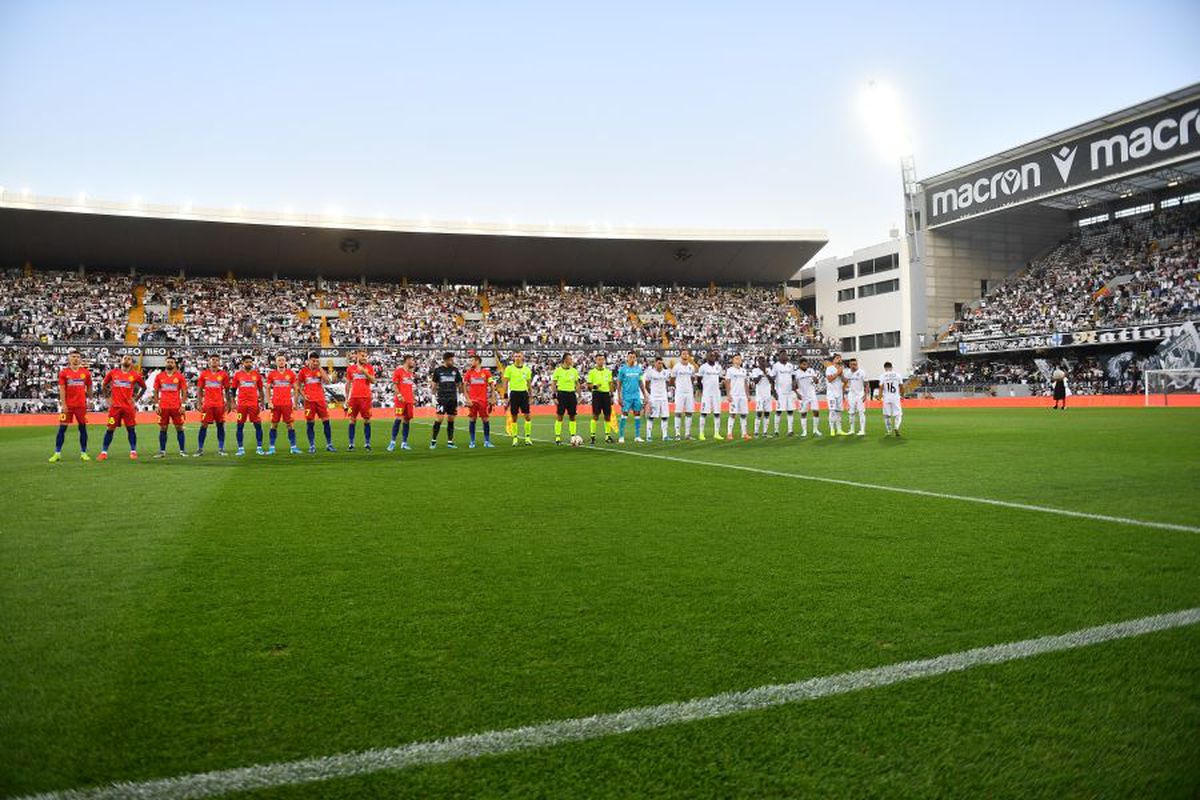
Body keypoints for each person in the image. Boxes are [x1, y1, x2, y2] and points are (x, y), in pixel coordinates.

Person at [98, 354, 146, 461]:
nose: (127, 360)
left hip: (128, 407)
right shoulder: (113, 372)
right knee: (110, 428)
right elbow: (104, 384)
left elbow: (144, 387)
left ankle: (133, 451)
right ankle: (104, 452)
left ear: (131, 363)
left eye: (129, 359)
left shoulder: (135, 375)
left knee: (131, 429)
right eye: (125, 358)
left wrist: (136, 399)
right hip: (115, 407)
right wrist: (107, 398)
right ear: (121, 360)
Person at [49, 349, 92, 462]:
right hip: (68, 405)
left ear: (80, 359)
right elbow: (62, 389)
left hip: (81, 406)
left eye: (77, 357)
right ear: (69, 358)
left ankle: (83, 453)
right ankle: (57, 453)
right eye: (73, 356)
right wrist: (63, 404)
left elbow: (89, 386)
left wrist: (90, 398)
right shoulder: (64, 372)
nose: (75, 359)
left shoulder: (86, 373)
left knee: (82, 428)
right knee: (62, 428)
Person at [151, 354, 188, 458]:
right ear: (165, 363)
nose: (170, 363)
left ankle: (182, 451)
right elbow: (156, 391)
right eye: (168, 362)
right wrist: (157, 405)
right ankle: (162, 451)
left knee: (179, 428)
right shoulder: (159, 376)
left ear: (175, 364)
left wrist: (183, 405)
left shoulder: (179, 376)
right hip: (163, 407)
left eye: (172, 362)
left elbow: (184, 391)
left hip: (176, 407)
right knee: (163, 428)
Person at [298, 353, 335, 453]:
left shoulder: (320, 370)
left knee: (326, 422)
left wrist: (320, 368)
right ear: (309, 360)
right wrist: (303, 395)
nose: (315, 363)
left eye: (317, 361)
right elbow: (298, 385)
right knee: (310, 424)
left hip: (320, 400)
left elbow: (327, 381)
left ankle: (329, 444)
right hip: (309, 401)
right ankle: (312, 445)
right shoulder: (303, 371)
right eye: (313, 361)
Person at [195, 354, 231, 456]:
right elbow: (199, 389)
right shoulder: (204, 374)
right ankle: (200, 449)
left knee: (220, 425)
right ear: (209, 362)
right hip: (207, 405)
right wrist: (198, 402)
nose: (214, 361)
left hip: (219, 404)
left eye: (216, 360)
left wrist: (228, 403)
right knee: (203, 425)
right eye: (213, 360)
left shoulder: (224, 374)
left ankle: (221, 449)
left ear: (219, 362)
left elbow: (227, 390)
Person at [266, 353, 301, 455]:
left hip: (287, 404)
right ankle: (272, 448)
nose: (281, 362)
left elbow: (296, 389)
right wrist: (269, 402)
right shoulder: (272, 374)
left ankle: (293, 447)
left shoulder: (291, 374)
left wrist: (295, 402)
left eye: (283, 360)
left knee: (290, 425)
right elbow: (267, 388)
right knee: (274, 425)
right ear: (276, 362)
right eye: (279, 360)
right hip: (275, 404)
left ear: (285, 362)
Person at [231, 354, 266, 456]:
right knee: (240, 426)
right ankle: (240, 448)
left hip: (254, 405)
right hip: (241, 405)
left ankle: (259, 448)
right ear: (243, 363)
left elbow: (260, 390)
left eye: (250, 362)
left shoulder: (257, 375)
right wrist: (233, 403)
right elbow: (233, 390)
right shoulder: (238, 375)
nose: (249, 363)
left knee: (258, 426)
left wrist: (262, 403)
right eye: (247, 362)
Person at [429, 351, 464, 448]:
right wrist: (432, 396)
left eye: (453, 360)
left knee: (451, 419)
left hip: (452, 398)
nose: (453, 361)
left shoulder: (455, 370)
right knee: (439, 419)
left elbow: (459, 383)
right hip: (442, 398)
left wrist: (461, 395)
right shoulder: (438, 370)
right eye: (451, 360)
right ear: (446, 360)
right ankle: (433, 440)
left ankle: (450, 441)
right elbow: (434, 384)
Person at [344, 349, 376, 451]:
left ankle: (367, 443)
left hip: (366, 398)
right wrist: (346, 398)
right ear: (357, 356)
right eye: (362, 355)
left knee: (367, 420)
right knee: (352, 420)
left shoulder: (369, 368)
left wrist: (365, 372)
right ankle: (351, 443)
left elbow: (373, 381)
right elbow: (348, 384)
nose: (364, 357)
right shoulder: (351, 369)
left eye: (365, 356)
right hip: (353, 398)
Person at [501, 351, 534, 446]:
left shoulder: (527, 369)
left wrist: (531, 396)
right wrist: (505, 396)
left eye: (519, 356)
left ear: (522, 357)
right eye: (515, 356)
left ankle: (527, 438)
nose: (517, 358)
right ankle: (515, 438)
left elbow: (529, 384)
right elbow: (506, 383)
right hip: (514, 394)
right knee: (514, 417)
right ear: (513, 358)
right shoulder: (509, 369)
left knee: (527, 416)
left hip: (524, 394)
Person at [463, 354, 496, 448]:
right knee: (472, 419)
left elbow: (492, 386)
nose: (471, 362)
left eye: (472, 360)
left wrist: (493, 397)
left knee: (485, 419)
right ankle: (472, 442)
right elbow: (464, 387)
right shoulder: (469, 373)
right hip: (472, 401)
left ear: (477, 361)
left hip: (483, 400)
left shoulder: (486, 372)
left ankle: (487, 441)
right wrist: (467, 399)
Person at [388, 354, 417, 452]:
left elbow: (410, 387)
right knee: (398, 419)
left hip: (409, 400)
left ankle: (404, 443)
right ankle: (392, 442)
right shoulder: (399, 371)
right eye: (412, 360)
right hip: (400, 400)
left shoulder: (411, 373)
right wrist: (399, 395)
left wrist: (413, 397)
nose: (414, 362)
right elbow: (394, 385)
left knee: (407, 420)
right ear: (407, 360)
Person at [616, 350, 646, 443]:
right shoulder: (623, 369)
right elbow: (619, 384)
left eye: (634, 357)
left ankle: (637, 436)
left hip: (636, 396)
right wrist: (619, 397)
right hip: (626, 396)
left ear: (635, 358)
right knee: (624, 414)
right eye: (630, 357)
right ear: (627, 358)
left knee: (637, 414)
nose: (632, 359)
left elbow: (640, 383)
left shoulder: (638, 369)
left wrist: (644, 394)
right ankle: (621, 436)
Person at [551, 352, 581, 445]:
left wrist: (579, 395)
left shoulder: (574, 371)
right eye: (570, 359)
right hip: (561, 394)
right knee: (560, 415)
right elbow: (553, 384)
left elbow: (577, 384)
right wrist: (554, 396)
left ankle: (573, 436)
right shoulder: (558, 371)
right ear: (565, 360)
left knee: (572, 416)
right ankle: (557, 437)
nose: (571, 361)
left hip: (571, 394)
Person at [585, 353, 614, 445]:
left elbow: (610, 384)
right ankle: (592, 436)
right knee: (595, 416)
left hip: (606, 395)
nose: (601, 361)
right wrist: (594, 386)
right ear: (596, 361)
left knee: (607, 416)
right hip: (597, 394)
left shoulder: (608, 372)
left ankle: (607, 436)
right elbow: (588, 386)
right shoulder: (592, 372)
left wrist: (612, 395)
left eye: (602, 359)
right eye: (599, 359)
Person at [697, 351, 724, 441]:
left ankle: (716, 433)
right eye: (710, 356)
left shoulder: (718, 367)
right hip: (707, 393)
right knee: (704, 413)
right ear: (707, 357)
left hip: (716, 393)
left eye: (713, 356)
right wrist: (701, 390)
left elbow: (720, 378)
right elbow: (699, 380)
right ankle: (701, 433)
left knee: (717, 413)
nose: (712, 357)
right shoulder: (703, 367)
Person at [644, 355, 672, 442]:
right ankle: (648, 436)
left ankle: (665, 436)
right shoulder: (650, 372)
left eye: (661, 363)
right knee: (651, 417)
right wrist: (651, 394)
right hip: (654, 398)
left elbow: (668, 382)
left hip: (663, 398)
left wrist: (664, 391)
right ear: (655, 363)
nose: (660, 365)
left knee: (665, 416)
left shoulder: (666, 372)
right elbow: (647, 384)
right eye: (658, 363)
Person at [671, 349, 697, 440]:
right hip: (680, 392)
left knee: (689, 413)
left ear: (688, 355)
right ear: (681, 355)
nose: (685, 355)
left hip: (689, 392)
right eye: (683, 354)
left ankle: (687, 434)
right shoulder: (676, 367)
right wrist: (677, 386)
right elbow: (672, 379)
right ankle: (677, 434)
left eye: (686, 354)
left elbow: (693, 378)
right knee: (678, 412)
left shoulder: (691, 367)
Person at [769, 351, 796, 436]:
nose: (785, 356)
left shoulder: (790, 366)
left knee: (790, 411)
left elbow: (793, 377)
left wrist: (794, 384)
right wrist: (773, 391)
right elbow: (772, 379)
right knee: (778, 411)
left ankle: (790, 431)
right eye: (783, 355)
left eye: (786, 355)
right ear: (779, 356)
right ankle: (776, 431)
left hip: (789, 392)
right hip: (780, 392)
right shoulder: (776, 366)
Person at [794, 357, 823, 438]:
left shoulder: (811, 371)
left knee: (816, 411)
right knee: (803, 413)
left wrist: (815, 378)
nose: (805, 365)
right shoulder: (796, 373)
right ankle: (804, 431)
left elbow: (816, 382)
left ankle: (815, 430)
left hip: (812, 394)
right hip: (803, 396)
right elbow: (794, 386)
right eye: (803, 364)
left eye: (806, 364)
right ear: (800, 365)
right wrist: (797, 394)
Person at [724, 353, 751, 440]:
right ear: (733, 360)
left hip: (742, 395)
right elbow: (727, 382)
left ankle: (744, 433)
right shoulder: (730, 370)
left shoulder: (743, 370)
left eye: (739, 359)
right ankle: (729, 433)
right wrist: (728, 394)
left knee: (744, 414)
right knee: (732, 414)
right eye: (736, 359)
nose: (738, 360)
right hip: (734, 395)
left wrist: (748, 394)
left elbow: (745, 383)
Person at [877, 361, 904, 437]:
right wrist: (902, 395)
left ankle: (889, 431)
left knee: (886, 415)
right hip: (895, 397)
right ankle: (896, 427)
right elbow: (901, 386)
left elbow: (881, 387)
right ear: (891, 367)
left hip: (886, 397)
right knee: (898, 414)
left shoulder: (883, 375)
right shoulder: (897, 375)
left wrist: (879, 397)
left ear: (885, 368)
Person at [749, 355, 773, 438]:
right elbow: (755, 381)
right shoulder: (755, 370)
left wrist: (767, 374)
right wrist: (762, 374)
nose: (762, 362)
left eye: (764, 361)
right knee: (759, 413)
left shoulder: (769, 370)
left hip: (768, 395)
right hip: (760, 395)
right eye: (761, 361)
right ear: (758, 362)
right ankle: (756, 432)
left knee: (767, 413)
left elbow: (772, 381)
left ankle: (765, 433)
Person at [844, 357, 868, 436]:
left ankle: (862, 430)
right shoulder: (847, 373)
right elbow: (845, 382)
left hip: (860, 394)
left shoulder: (862, 372)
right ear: (849, 365)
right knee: (851, 413)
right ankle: (851, 429)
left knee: (861, 412)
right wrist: (844, 392)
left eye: (855, 364)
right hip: (851, 395)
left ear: (857, 364)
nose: (854, 366)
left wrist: (865, 394)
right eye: (852, 364)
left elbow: (866, 384)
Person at [824, 353, 846, 436]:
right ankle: (832, 429)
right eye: (837, 358)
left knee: (839, 411)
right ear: (833, 360)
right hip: (831, 393)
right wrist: (838, 373)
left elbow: (844, 381)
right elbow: (829, 379)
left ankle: (839, 429)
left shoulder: (841, 369)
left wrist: (841, 374)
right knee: (832, 410)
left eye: (840, 358)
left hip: (839, 392)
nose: (839, 360)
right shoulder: (829, 368)